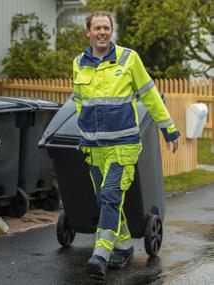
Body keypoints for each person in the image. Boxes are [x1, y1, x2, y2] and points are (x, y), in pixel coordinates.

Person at [72, 11, 180, 281]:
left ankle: (101, 253)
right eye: (97, 27)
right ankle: (122, 247)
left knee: (110, 196)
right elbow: (79, 102)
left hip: (123, 145)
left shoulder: (128, 59)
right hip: (94, 147)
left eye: (106, 28)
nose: (102, 32)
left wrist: (168, 127)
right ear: (88, 32)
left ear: (111, 31)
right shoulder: (79, 63)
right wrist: (84, 134)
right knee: (105, 199)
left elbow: (150, 95)